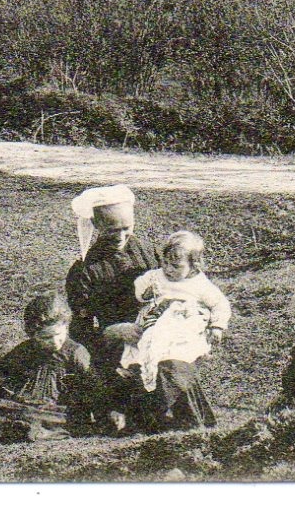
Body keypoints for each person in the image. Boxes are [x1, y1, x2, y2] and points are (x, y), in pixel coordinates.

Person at [63, 185, 216, 432]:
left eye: (127, 228)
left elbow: (175, 284)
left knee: (173, 361)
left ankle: (186, 427)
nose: (122, 236)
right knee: (168, 366)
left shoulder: (145, 250)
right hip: (117, 348)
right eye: (112, 230)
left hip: (157, 328)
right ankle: (185, 427)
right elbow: (79, 331)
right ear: (96, 225)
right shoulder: (84, 271)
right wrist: (113, 332)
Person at [0, 293, 104, 443]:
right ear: (33, 335)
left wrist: (105, 416)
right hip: (26, 405)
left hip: (59, 413)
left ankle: (24, 429)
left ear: (66, 326)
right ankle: (18, 427)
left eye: (59, 334)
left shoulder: (75, 352)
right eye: (46, 338)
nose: (55, 342)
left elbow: (96, 388)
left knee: (24, 419)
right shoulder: (26, 350)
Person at [112, 231, 231, 393]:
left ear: (194, 266)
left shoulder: (200, 284)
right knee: (141, 342)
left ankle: (169, 370)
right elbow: (139, 286)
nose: (168, 269)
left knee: (175, 349)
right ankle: (135, 367)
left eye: (176, 266)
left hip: (180, 323)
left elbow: (220, 303)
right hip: (155, 319)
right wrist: (145, 293)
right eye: (165, 262)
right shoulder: (156, 276)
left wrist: (217, 326)